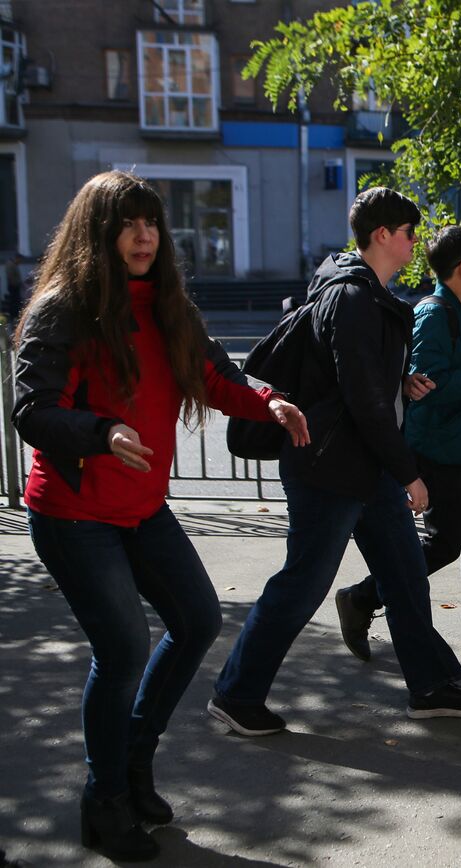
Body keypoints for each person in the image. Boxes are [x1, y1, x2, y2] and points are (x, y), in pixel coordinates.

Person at [11, 171, 310, 861]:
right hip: (74, 511)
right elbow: (33, 408)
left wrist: (266, 401)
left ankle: (133, 767)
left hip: (141, 508)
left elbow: (211, 374)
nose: (144, 235)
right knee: (121, 652)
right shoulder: (64, 307)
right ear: (98, 233)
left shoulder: (168, 303)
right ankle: (103, 800)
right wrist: (101, 431)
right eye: (128, 223)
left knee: (198, 619)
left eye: (151, 223)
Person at [210, 188, 461, 737]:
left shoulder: (368, 295)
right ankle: (236, 694)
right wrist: (409, 471)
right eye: (408, 233)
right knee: (302, 583)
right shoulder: (355, 298)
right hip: (330, 468)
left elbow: (356, 384)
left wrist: (399, 385)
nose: (414, 243)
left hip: (363, 468)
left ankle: (431, 686)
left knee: (407, 578)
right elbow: (360, 400)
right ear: (382, 235)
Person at [334, 225, 461, 656]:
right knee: (442, 543)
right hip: (440, 451)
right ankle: (361, 597)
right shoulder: (433, 313)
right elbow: (426, 386)